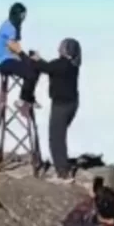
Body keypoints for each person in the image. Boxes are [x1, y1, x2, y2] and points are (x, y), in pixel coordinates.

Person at [31, 38, 81, 182]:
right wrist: (40, 60)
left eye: (61, 46)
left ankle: (63, 172)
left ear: (66, 50)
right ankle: (63, 167)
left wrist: (35, 59)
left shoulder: (61, 64)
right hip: (72, 104)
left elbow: (46, 67)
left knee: (56, 139)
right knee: (60, 135)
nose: (58, 48)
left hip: (61, 106)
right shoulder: (72, 65)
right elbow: (50, 67)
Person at [0, 2, 40, 116]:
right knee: (31, 73)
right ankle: (22, 101)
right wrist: (25, 57)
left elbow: (14, 46)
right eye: (22, 15)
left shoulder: (12, 24)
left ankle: (29, 98)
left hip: (8, 59)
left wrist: (26, 58)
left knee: (35, 67)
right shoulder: (10, 27)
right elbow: (12, 45)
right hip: (4, 62)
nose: (23, 18)